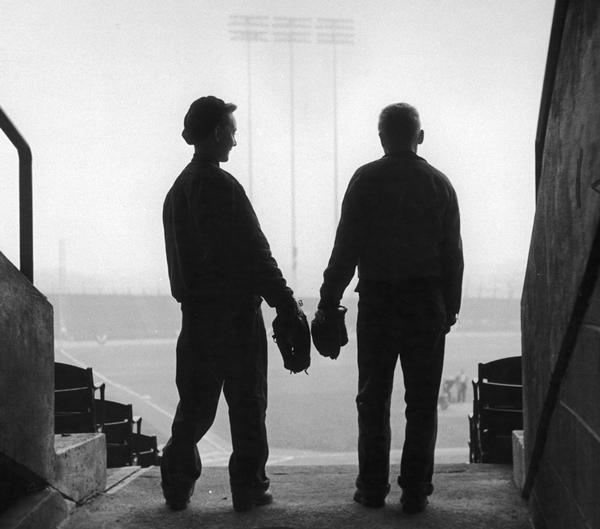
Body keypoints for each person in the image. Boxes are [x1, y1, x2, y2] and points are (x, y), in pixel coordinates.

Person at [316, 103, 463, 514]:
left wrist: (329, 300)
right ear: (420, 136)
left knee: (373, 398)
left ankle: (372, 487)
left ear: (382, 137)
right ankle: (415, 490)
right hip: (426, 305)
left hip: (378, 303)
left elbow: (346, 249)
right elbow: (453, 254)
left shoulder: (365, 180)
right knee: (421, 403)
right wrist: (448, 308)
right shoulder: (440, 185)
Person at [161, 96, 304, 512]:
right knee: (247, 404)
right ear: (218, 132)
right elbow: (254, 253)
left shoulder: (177, 192)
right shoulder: (222, 186)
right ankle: (249, 487)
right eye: (232, 132)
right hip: (236, 317)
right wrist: (284, 303)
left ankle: (177, 484)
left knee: (194, 408)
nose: (236, 142)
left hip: (197, 318)